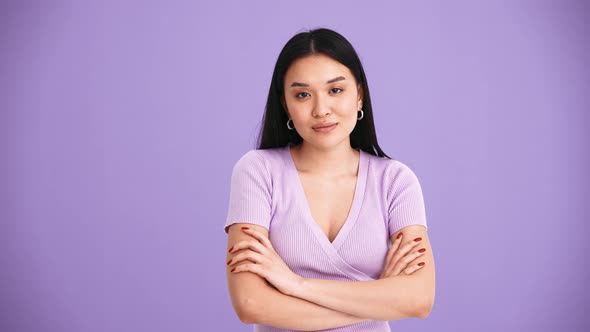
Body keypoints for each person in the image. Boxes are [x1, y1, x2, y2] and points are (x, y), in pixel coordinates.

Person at [224, 28, 435, 332]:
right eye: (303, 94)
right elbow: (251, 305)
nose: (321, 109)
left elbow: (418, 298)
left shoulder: (396, 181)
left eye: (335, 90)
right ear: (286, 105)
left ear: (359, 95)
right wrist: (380, 297)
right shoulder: (257, 171)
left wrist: (294, 284)